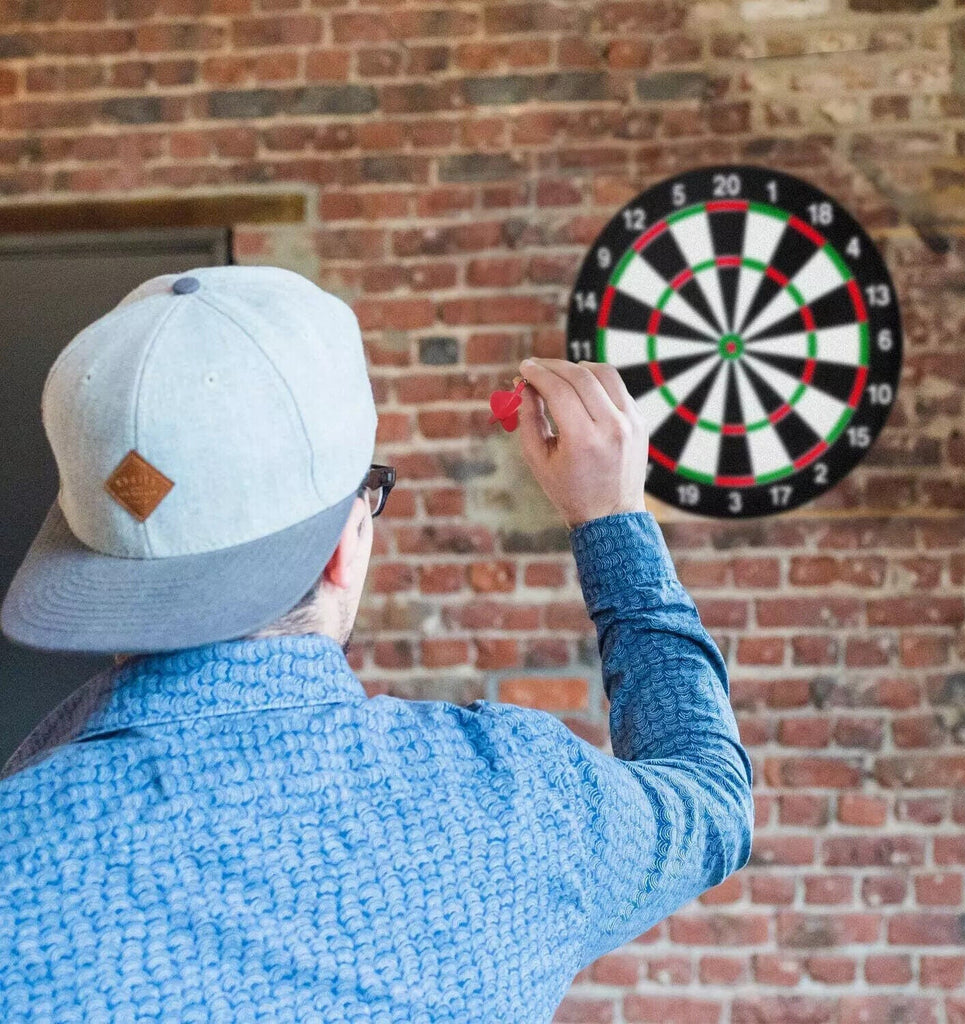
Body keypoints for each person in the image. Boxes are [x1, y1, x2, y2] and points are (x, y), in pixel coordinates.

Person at [0, 265, 753, 1023]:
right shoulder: (516, 806)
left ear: (88, 566)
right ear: (342, 548)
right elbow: (711, 797)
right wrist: (613, 516)